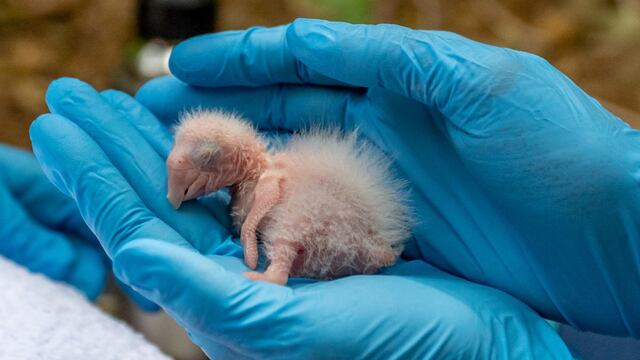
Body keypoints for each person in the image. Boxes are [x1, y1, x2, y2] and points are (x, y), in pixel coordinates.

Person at [27, 18, 640, 358]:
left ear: (217, 163)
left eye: (192, 178)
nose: (184, 189)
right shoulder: (272, 160)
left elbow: (264, 211)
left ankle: (282, 264)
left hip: (328, 236)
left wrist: (255, 251)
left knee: (282, 225)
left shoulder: (273, 176)